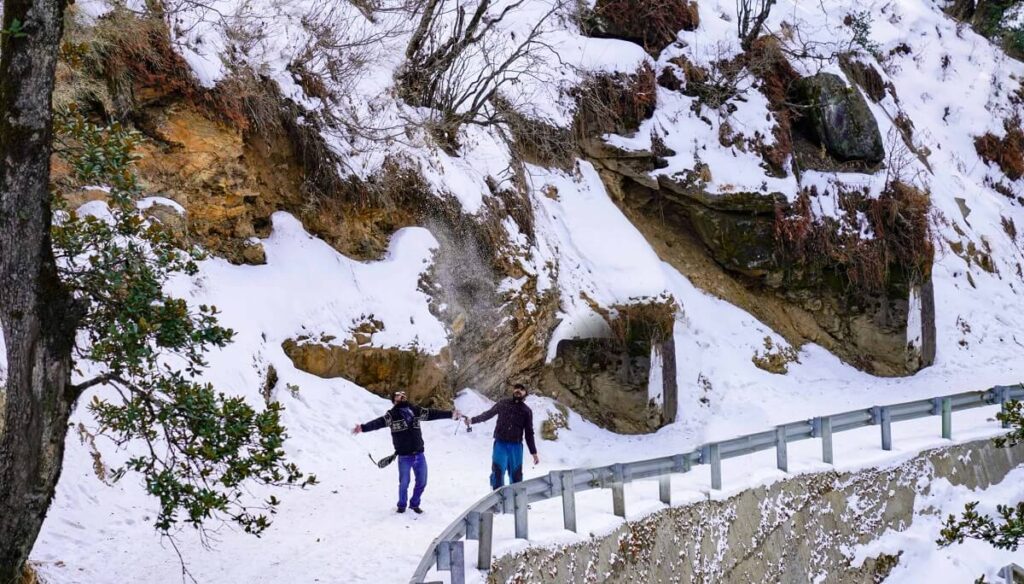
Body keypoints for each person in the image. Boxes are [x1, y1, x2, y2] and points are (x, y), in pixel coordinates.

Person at [353, 390, 458, 513]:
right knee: (404, 483)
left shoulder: (415, 411)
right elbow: (379, 422)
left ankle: (414, 504)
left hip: (419, 454)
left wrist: (450, 414)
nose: (402, 396)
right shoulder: (391, 415)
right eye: (398, 395)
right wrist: (363, 428)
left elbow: (432, 414)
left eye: (403, 395)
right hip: (404, 456)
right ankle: (401, 506)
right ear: (394, 400)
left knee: (422, 482)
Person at [466, 383, 539, 489]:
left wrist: (534, 452)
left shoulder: (526, 411)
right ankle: (497, 499)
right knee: (498, 472)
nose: (518, 390)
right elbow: (488, 414)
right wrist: (472, 420)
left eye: (521, 389)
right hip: (500, 444)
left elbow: (529, 433)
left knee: (516, 474)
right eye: (516, 388)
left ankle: (517, 500)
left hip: (516, 446)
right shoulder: (503, 403)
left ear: (525, 393)